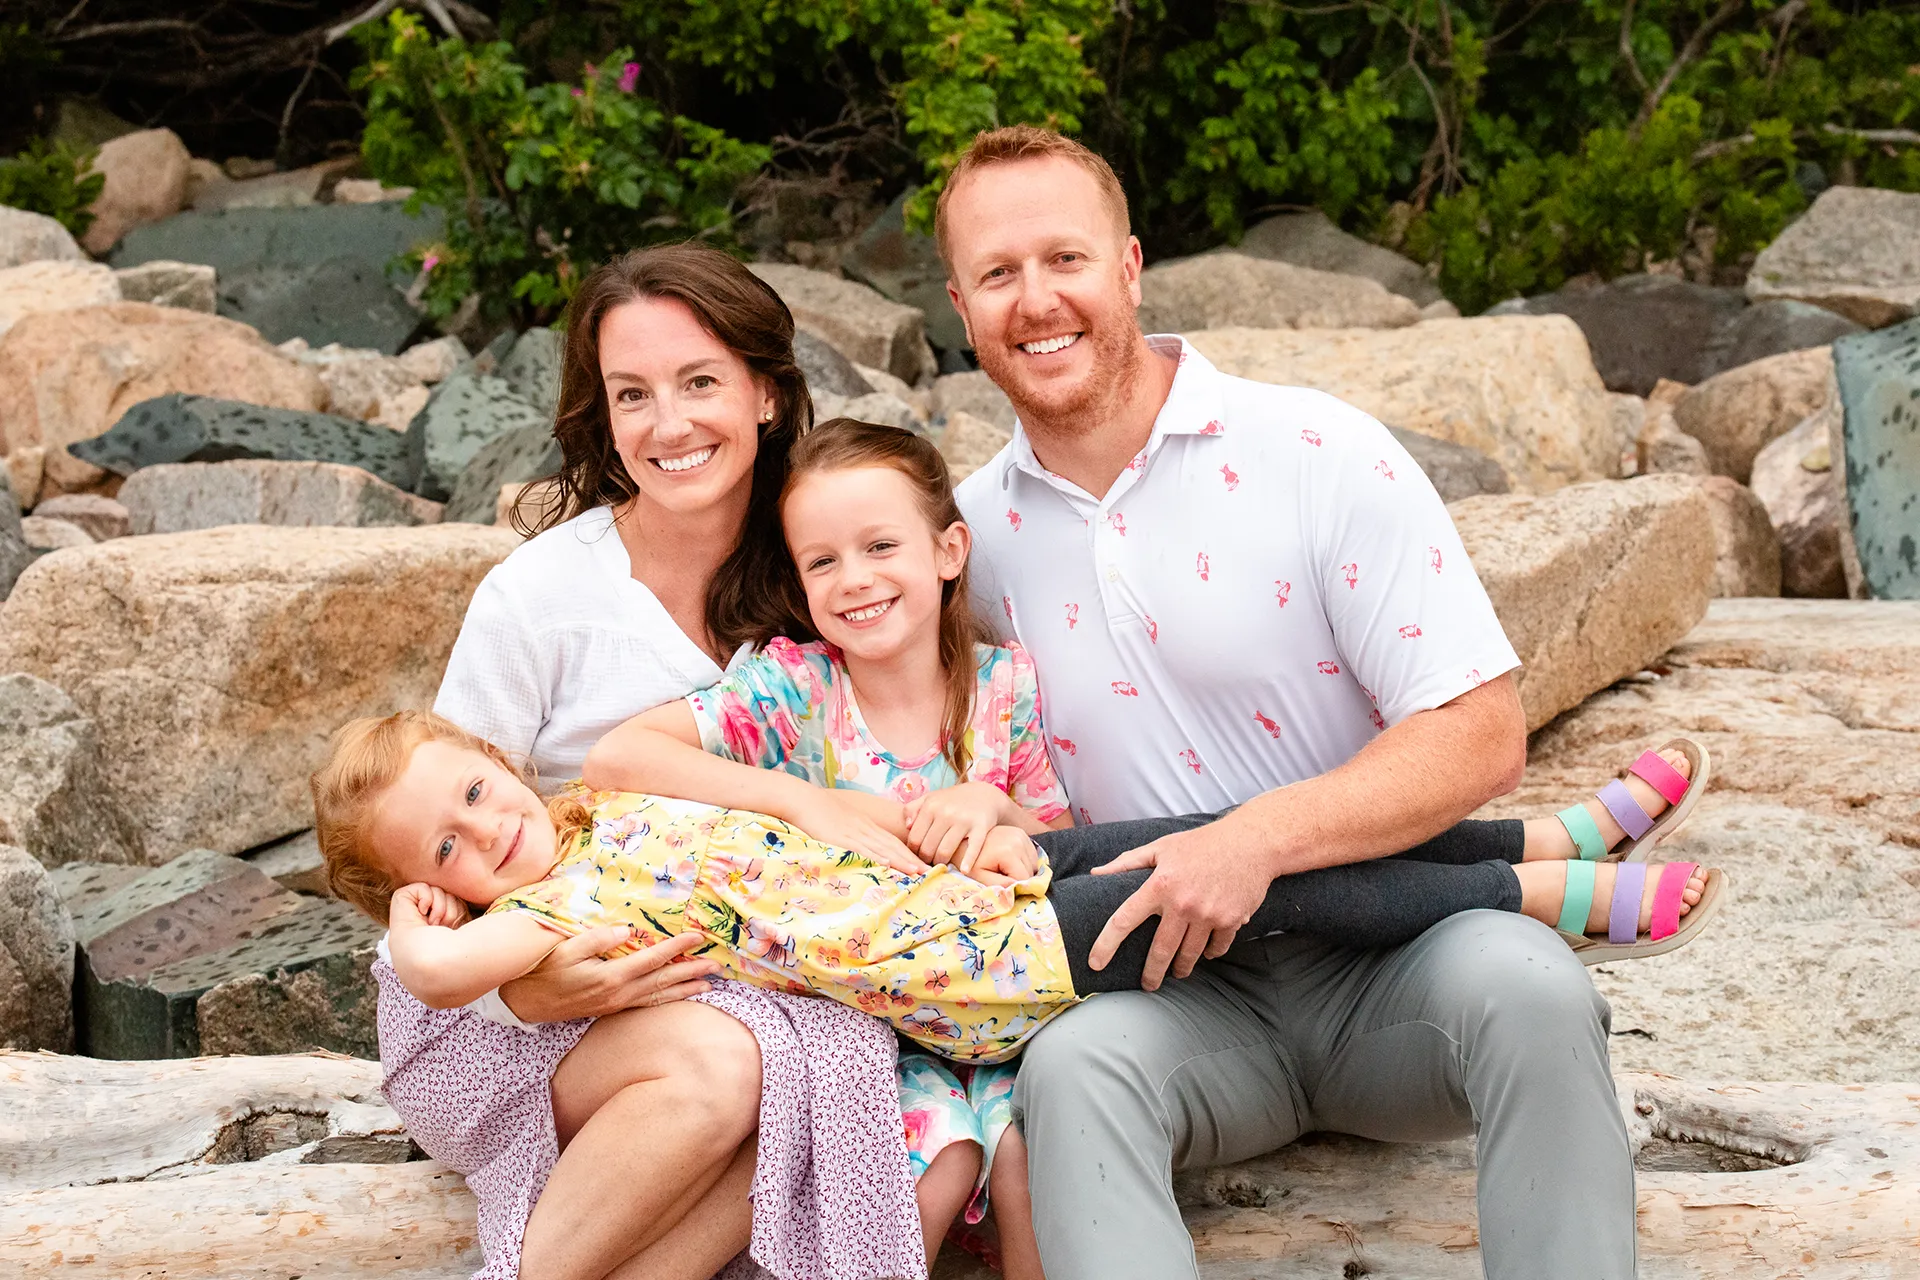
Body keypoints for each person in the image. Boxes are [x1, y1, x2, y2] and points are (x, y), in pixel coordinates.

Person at [582, 419, 1715, 1270]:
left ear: (946, 550)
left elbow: (1047, 839)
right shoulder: (790, 690)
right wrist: (814, 808)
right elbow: (619, 758)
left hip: (1032, 942)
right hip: (964, 986)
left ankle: (1537, 860)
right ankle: (1533, 859)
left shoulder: (1001, 685)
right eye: (821, 561)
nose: (854, 578)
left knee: (1213, 854)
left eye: (879, 545)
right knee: (1190, 865)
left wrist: (991, 810)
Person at [937, 124, 1657, 1279]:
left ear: (1128, 267)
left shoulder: (1317, 452)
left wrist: (1256, 839)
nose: (1036, 299)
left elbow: (1480, 731)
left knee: (1533, 984)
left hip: (1394, 956)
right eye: (997, 274)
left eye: (1063, 259)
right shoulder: (966, 546)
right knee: (1072, 1073)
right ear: (961, 308)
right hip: (1176, 994)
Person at [371, 242, 920, 1280]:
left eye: (700, 381)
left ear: (765, 390)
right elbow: (425, 845)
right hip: (508, 1003)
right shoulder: (538, 598)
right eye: (633, 394)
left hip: (747, 974)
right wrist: (524, 990)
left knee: (799, 1086)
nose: (669, 425)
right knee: (733, 1066)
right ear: (604, 417)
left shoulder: (831, 567)